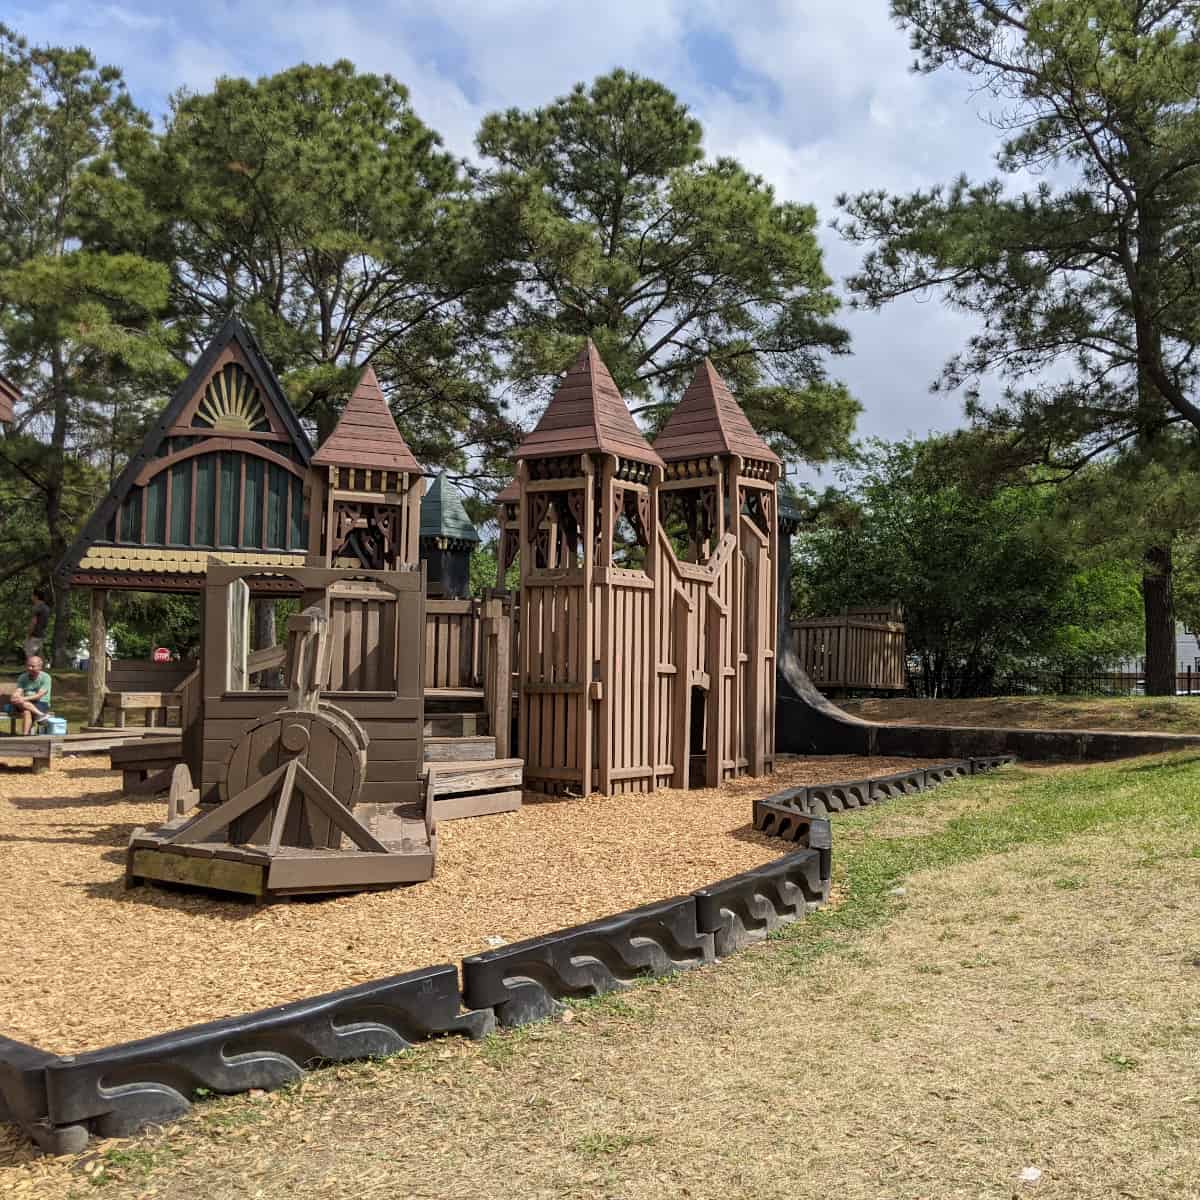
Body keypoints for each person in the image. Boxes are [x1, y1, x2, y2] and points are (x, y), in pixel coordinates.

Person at [4, 654, 52, 735]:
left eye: (33, 666)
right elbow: (19, 690)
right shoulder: (23, 677)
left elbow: (39, 696)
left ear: (40, 667)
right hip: (25, 702)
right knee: (24, 708)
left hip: (41, 702)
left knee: (26, 710)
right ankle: (40, 716)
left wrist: (23, 699)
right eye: (28, 666)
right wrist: (15, 696)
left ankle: (25, 735)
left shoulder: (46, 677)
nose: (29, 668)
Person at [26, 589, 50, 660]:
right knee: (39, 657)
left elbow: (33, 621)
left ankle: (31, 669)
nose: (31, 597)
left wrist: (29, 634)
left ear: (36, 596)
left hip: (34, 635)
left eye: (32, 595)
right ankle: (39, 670)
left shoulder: (37, 607)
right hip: (42, 635)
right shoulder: (46, 608)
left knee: (30, 656)